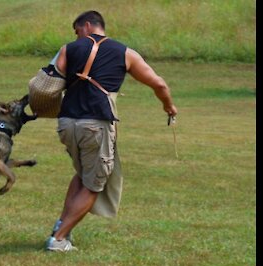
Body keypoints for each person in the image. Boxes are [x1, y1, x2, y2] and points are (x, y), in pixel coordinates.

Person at [44, 10, 178, 252]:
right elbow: (158, 83)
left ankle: (61, 227)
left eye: (77, 31)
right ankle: (59, 239)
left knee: (83, 174)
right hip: (97, 124)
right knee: (96, 184)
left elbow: (46, 82)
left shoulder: (67, 49)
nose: (76, 37)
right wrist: (169, 106)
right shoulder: (124, 52)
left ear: (87, 25)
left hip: (66, 122)